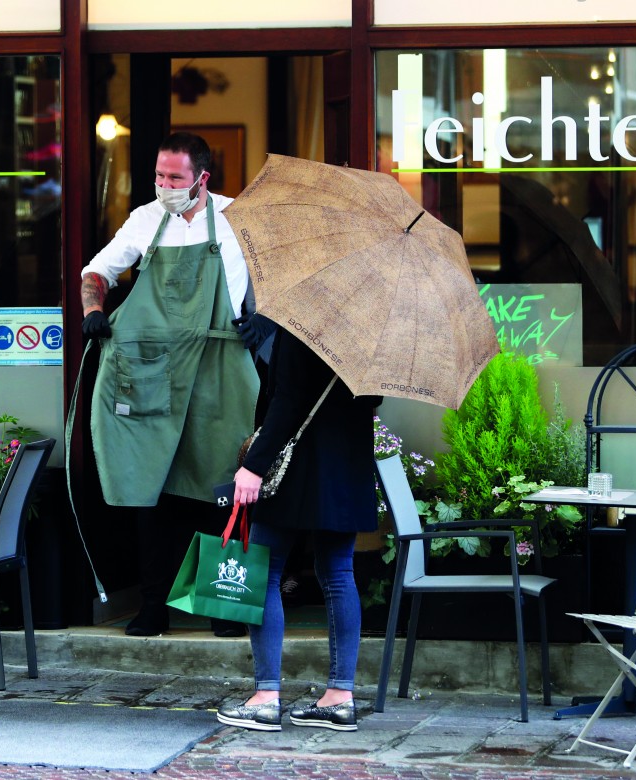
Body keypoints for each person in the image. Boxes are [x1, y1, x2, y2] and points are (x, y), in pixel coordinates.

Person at [81, 132, 269, 637]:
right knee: (153, 489)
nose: (164, 185)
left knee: (222, 490)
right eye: (159, 176)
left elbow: (278, 280)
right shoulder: (145, 219)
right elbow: (97, 272)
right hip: (153, 371)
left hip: (220, 365)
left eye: (175, 178)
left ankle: (223, 607)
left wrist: (265, 321)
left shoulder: (239, 219)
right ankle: (152, 607)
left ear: (202, 178)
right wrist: (94, 311)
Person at [216, 328, 380, 732]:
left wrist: (253, 465)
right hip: (346, 469)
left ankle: (266, 697)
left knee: (264, 573)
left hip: (296, 472)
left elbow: (286, 402)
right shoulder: (370, 333)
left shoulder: (301, 325)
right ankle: (340, 698)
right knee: (339, 574)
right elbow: (371, 400)